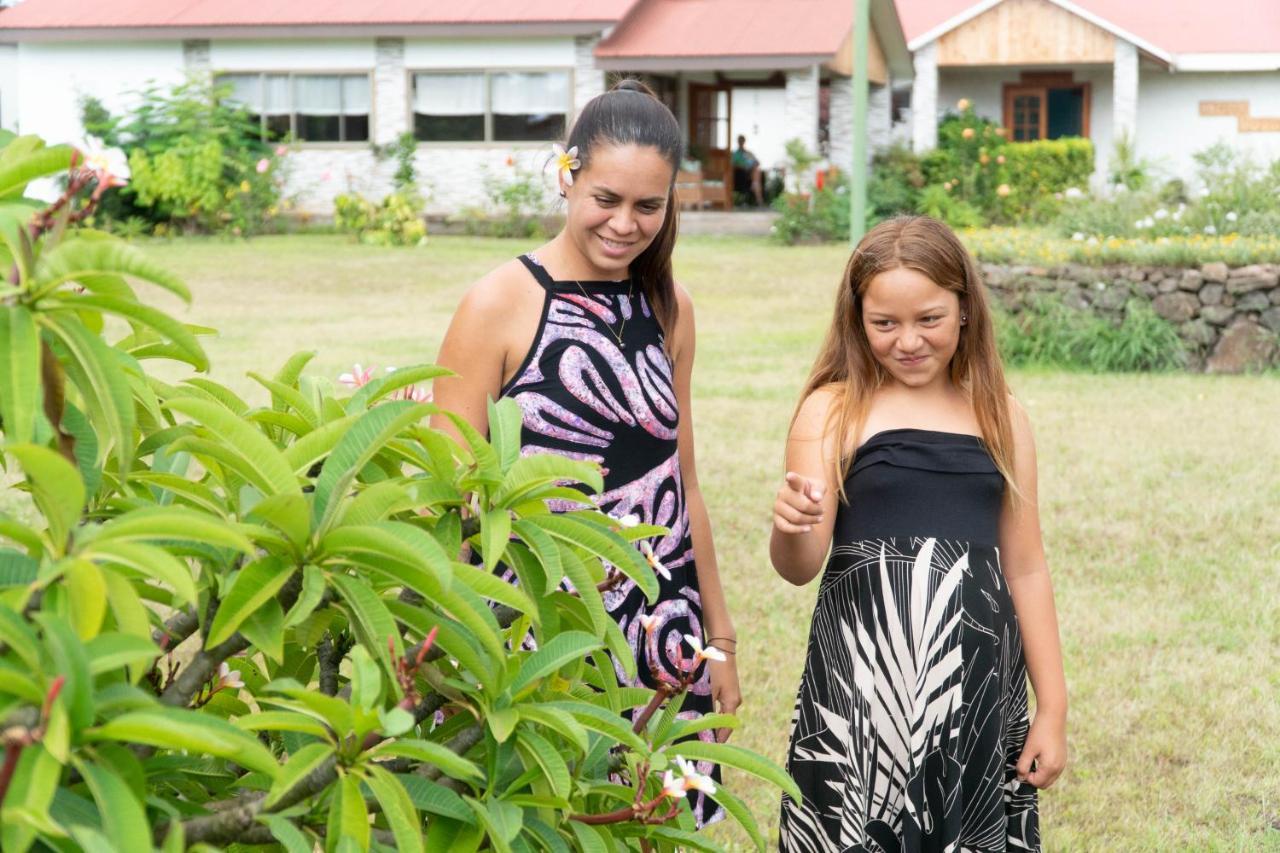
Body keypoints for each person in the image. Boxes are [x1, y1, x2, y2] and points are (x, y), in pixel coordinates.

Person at [431, 79, 739, 826]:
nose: (626, 224)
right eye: (606, 198)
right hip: (537, 633)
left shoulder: (668, 304)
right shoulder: (500, 302)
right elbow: (446, 494)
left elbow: (682, 481)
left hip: (659, 628)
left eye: (649, 206)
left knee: (644, 825)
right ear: (565, 175)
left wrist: (720, 641)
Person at [771, 216, 1066, 850]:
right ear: (858, 320)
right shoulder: (832, 407)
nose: (908, 341)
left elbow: (1026, 566)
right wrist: (791, 526)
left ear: (964, 310)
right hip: (860, 692)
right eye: (885, 324)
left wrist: (1053, 707)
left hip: (978, 690)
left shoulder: (1001, 414)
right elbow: (800, 565)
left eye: (929, 319)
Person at [732, 134, 765, 207]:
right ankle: (758, 196)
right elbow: (732, 165)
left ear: (744, 142)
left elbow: (757, 162)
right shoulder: (735, 154)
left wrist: (753, 164)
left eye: (742, 141)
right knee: (756, 172)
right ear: (738, 142)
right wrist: (743, 167)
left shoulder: (748, 153)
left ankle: (754, 184)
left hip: (750, 172)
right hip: (740, 173)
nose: (741, 142)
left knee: (757, 170)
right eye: (740, 141)